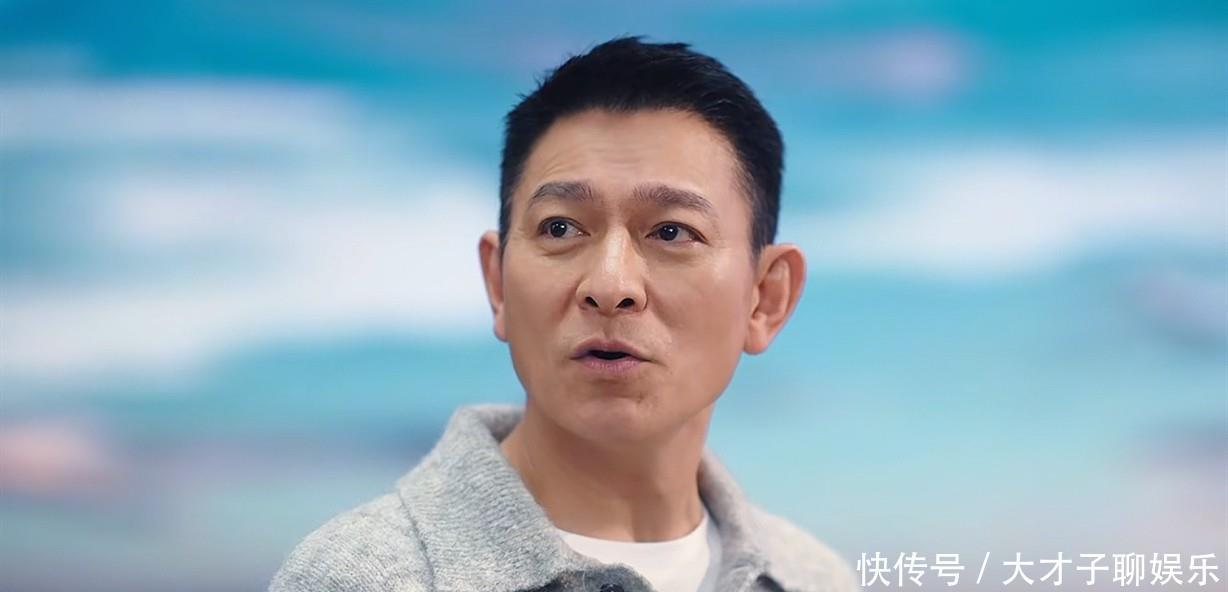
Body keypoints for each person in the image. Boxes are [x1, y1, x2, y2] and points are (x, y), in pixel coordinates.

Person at [269, 36, 858, 592]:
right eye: (560, 228)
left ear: (766, 298)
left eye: (671, 232)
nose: (610, 286)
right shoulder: (360, 575)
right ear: (498, 282)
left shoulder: (815, 577)